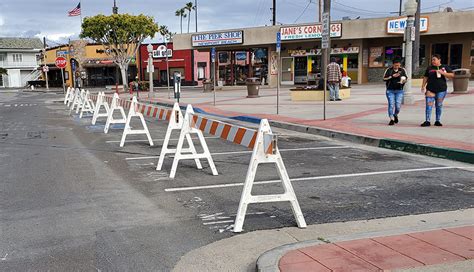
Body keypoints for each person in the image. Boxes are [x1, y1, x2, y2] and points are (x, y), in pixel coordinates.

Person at [420, 54, 454, 127]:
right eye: (432, 60)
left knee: (438, 105)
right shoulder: (429, 68)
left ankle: (437, 120)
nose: (433, 61)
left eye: (434, 59)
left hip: (441, 89)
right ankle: (427, 120)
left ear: (439, 60)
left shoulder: (444, 67)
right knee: (428, 106)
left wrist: (443, 73)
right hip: (430, 89)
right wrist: (423, 86)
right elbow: (425, 77)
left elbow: (452, 75)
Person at [383, 59, 407, 125]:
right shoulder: (389, 70)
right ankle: (391, 119)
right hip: (390, 90)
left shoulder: (402, 70)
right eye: (396, 65)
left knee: (398, 106)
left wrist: (403, 80)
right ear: (393, 64)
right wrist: (391, 76)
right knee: (391, 104)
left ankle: (395, 114)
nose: (397, 66)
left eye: (399, 65)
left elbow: (406, 79)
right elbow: (384, 78)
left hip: (399, 90)